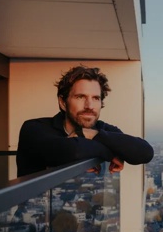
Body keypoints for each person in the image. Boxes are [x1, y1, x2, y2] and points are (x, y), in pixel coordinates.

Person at [16, 65, 153, 177]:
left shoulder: (100, 130)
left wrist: (91, 135)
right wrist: (110, 153)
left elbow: (144, 153)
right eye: (80, 97)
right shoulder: (34, 128)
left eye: (96, 98)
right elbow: (72, 150)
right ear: (63, 102)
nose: (89, 106)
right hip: (35, 210)